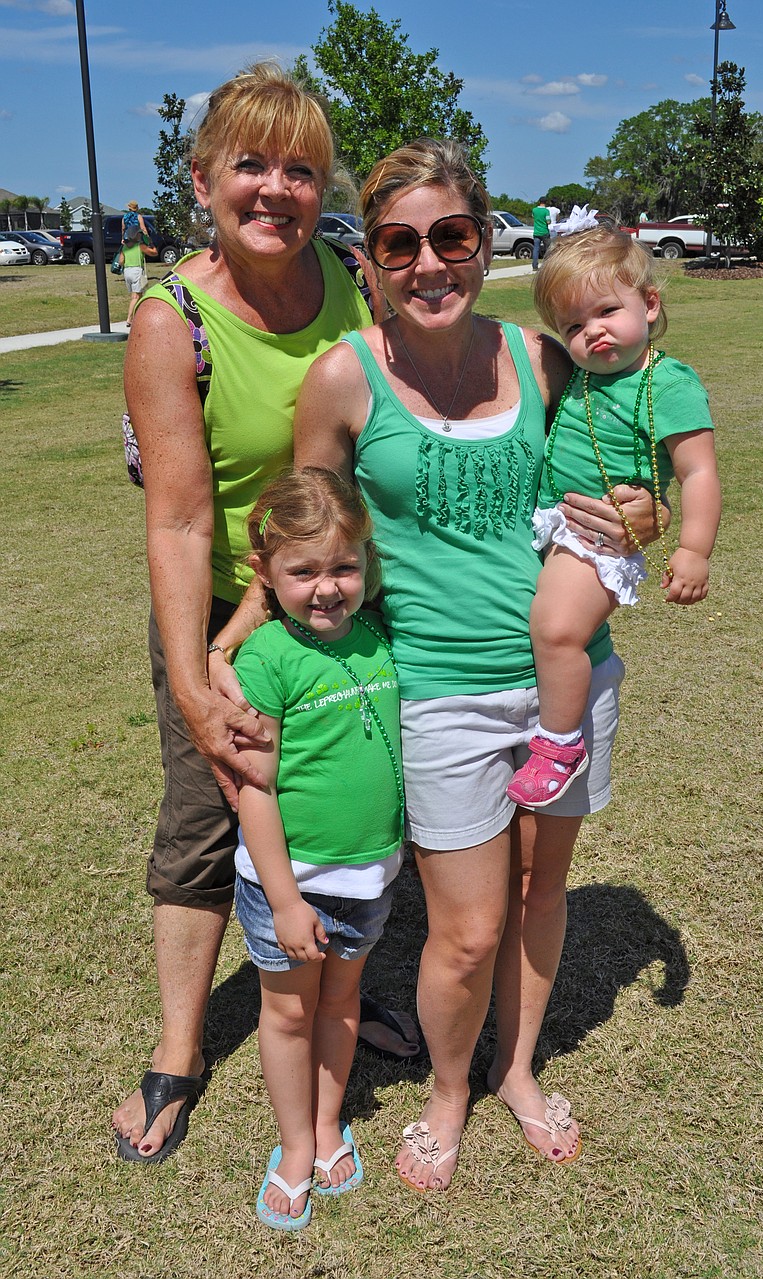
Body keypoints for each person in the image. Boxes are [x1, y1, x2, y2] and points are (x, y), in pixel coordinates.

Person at [218, 138, 665, 1192]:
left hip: (568, 677)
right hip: (440, 695)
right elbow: (302, 527)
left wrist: (647, 514)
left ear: (484, 239)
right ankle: (449, 1087)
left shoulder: (542, 359)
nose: (429, 263)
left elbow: (629, 468)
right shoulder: (344, 376)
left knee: (539, 893)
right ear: (368, 259)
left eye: (451, 237)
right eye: (399, 243)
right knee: (464, 932)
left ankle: (515, 1070)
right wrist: (235, 636)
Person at [112, 61, 416, 1167]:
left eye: (300, 167)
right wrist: (199, 677)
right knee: (205, 811)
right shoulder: (171, 317)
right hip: (231, 604)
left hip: (346, 593)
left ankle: (343, 989)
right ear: (204, 182)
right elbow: (182, 522)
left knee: (359, 786)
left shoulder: (353, 275)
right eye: (251, 164)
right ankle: (181, 1047)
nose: (277, 188)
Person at [232, 468, 403, 1231]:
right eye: (304, 570)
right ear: (264, 573)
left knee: (340, 1002)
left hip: (370, 877)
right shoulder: (264, 658)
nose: (327, 588)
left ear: (368, 563)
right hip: (288, 886)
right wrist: (287, 900)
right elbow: (256, 791)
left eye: (343, 566)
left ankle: (331, 1120)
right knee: (290, 1014)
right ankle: (296, 1145)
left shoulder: (379, 631)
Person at [506, 218, 721, 808]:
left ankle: (559, 743)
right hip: (557, 524)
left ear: (649, 305)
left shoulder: (666, 382)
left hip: (597, 537)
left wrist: (693, 548)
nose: (592, 333)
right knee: (549, 623)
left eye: (606, 312)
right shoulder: (578, 376)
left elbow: (698, 471)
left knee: (556, 630)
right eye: (574, 326)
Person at [532, 196, 551, 271]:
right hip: (544, 232)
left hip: (536, 232)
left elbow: (533, 217)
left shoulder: (534, 210)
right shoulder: (546, 211)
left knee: (536, 249)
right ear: (545, 202)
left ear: (539, 202)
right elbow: (548, 221)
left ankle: (534, 265)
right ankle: (546, 265)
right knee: (548, 249)